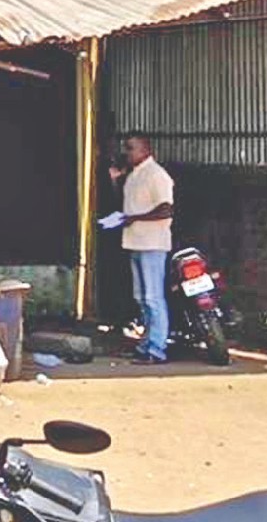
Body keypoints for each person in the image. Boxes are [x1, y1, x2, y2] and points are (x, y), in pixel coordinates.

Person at [99, 135, 176, 364]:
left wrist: (135, 218)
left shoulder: (157, 175)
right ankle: (146, 344)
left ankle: (157, 348)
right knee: (141, 298)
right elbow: (127, 204)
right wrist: (115, 181)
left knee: (153, 298)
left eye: (131, 148)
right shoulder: (134, 174)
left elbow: (166, 209)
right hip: (135, 242)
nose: (127, 153)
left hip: (153, 243)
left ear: (145, 150)